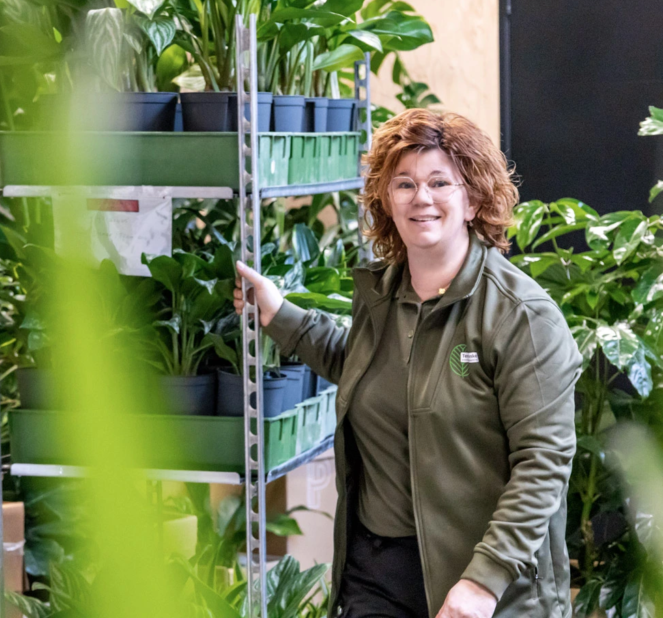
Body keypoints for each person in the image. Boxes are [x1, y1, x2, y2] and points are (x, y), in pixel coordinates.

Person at [234, 109, 581, 618]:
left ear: (474, 198)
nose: (421, 198)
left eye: (440, 182)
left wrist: (482, 582)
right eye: (404, 184)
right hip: (375, 574)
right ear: (386, 201)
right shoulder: (383, 294)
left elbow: (543, 464)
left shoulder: (520, 316)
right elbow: (361, 366)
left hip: (480, 579)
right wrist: (279, 314)